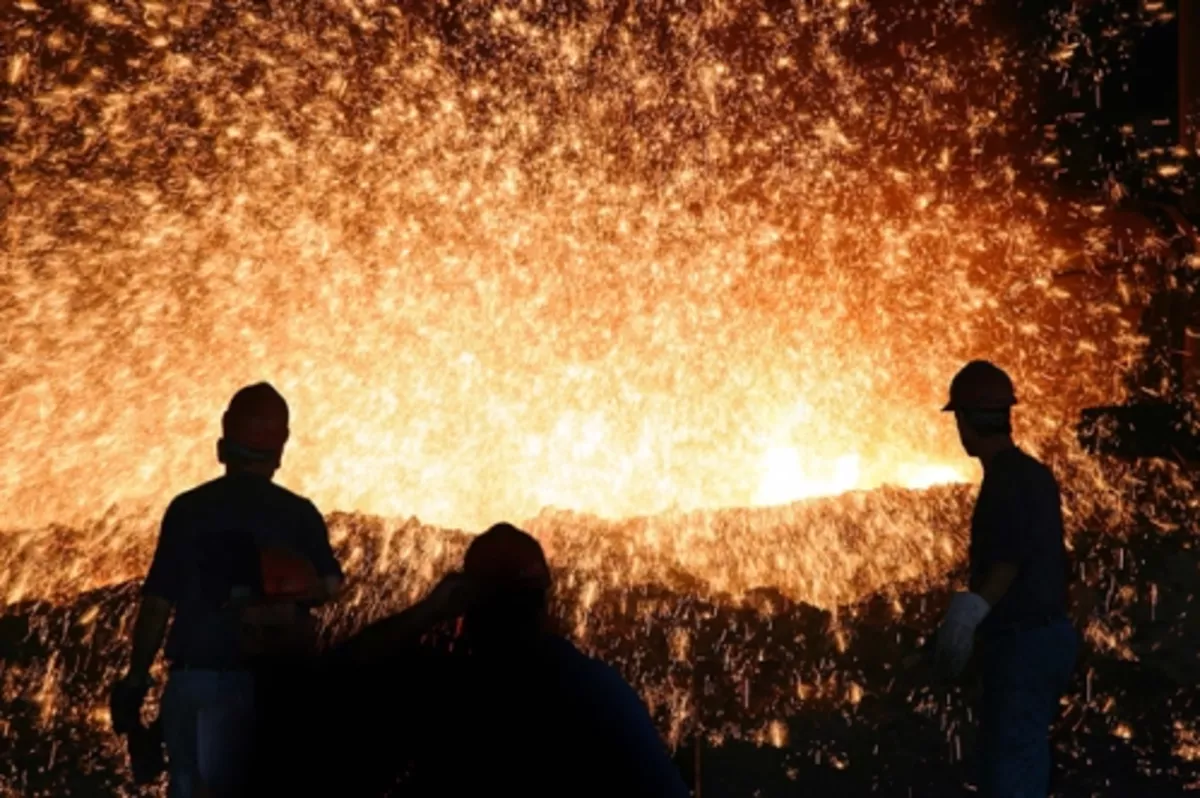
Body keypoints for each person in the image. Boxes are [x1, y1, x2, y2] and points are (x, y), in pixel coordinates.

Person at [324, 523, 690, 798]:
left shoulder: (441, 687)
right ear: (545, 600)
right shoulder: (595, 687)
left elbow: (332, 679)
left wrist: (427, 612)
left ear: (467, 601)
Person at [110, 382, 344, 798]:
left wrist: (136, 678)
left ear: (223, 446)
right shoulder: (298, 514)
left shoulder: (187, 510)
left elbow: (157, 602)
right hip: (271, 691)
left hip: (193, 684)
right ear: (279, 450)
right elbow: (330, 586)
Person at [933, 361, 1078, 798]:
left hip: (1024, 646)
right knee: (1024, 755)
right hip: (1047, 638)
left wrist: (965, 616)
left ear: (965, 421)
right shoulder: (1031, 474)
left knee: (1010, 766)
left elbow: (1008, 562)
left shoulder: (1007, 481)